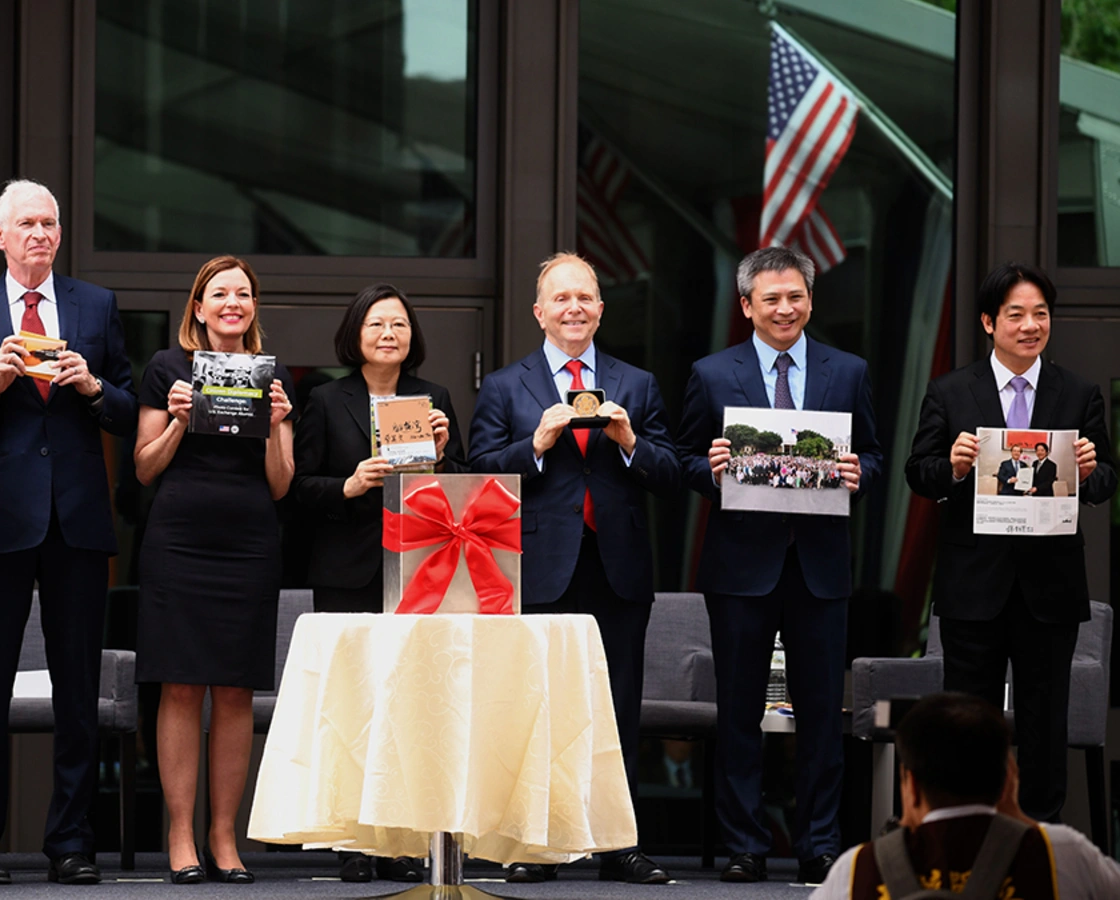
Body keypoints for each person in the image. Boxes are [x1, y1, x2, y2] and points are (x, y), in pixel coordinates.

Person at [0, 180, 138, 885]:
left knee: (77, 689)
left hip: (76, 520)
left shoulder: (96, 306)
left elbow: (130, 409)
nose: (40, 235)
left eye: (49, 223)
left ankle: (72, 842)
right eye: (27, 224)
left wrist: (92, 387)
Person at [467, 252, 681, 885]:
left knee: (618, 708)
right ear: (539, 312)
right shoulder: (508, 386)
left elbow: (672, 472)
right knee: (537, 707)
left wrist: (628, 441)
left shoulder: (634, 383)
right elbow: (480, 472)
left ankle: (619, 846)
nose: (574, 308)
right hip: (540, 568)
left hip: (617, 568)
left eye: (585, 297)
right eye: (560, 299)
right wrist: (533, 444)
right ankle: (537, 846)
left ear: (600, 309)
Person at [674, 245, 881, 886]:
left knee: (821, 713)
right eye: (771, 299)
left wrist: (856, 473)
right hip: (740, 568)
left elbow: (873, 455)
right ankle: (744, 844)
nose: (785, 308)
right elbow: (680, 456)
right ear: (747, 306)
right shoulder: (711, 374)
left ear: (810, 300)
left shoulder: (848, 371)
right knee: (738, 712)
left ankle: (820, 844)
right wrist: (705, 468)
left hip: (819, 568)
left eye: (795, 297)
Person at [905, 262, 1117, 823]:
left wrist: (1092, 472)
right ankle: (967, 830)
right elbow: (917, 472)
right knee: (968, 722)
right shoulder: (951, 392)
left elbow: (1104, 483)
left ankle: (1039, 838)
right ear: (988, 322)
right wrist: (949, 467)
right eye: (1017, 314)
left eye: (1041, 314)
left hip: (1050, 588)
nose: (1031, 325)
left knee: (1046, 721)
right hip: (974, 585)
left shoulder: (1078, 392)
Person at [291, 283, 463, 884]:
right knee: (353, 706)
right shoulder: (326, 398)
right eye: (376, 325)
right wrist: (349, 483)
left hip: (420, 570)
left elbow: (464, 486)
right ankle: (353, 839)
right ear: (355, 336)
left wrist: (440, 456)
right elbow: (298, 487)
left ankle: (404, 836)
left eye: (398, 324)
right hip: (347, 570)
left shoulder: (433, 396)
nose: (389, 334)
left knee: (411, 705)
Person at [134, 256, 295, 886]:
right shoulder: (165, 368)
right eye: (220, 293)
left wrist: (279, 427)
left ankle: (224, 836)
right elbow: (145, 468)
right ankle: (180, 835)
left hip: (250, 542)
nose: (233, 302)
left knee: (234, 689)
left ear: (254, 308)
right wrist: (178, 418)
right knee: (179, 685)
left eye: (244, 293)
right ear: (197, 307)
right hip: (179, 542)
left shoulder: (273, 375)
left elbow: (281, 486)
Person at [810, 692, 1120, 899]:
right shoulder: (1063, 854)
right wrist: (1024, 824)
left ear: (912, 787)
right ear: (1009, 779)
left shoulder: (856, 870)